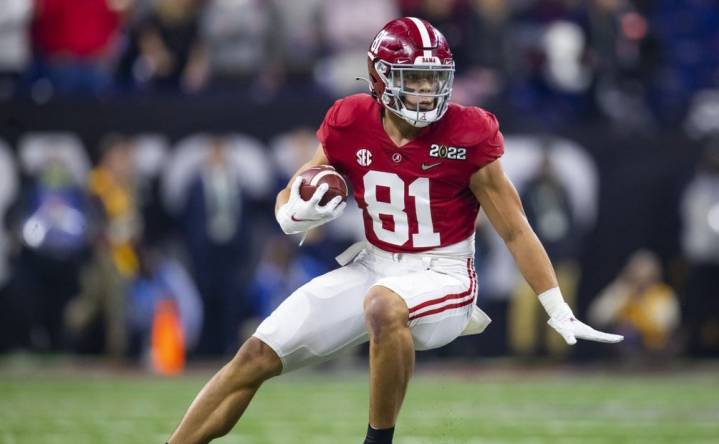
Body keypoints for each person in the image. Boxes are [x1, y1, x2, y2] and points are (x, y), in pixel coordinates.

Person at [166, 17, 622, 444]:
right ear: (379, 76)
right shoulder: (350, 120)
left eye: (433, 78)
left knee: (384, 306)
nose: (425, 91)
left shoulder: (469, 132)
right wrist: (293, 214)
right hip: (372, 264)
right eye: (413, 78)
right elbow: (296, 188)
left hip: (444, 273)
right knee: (255, 356)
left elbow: (516, 229)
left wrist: (555, 305)